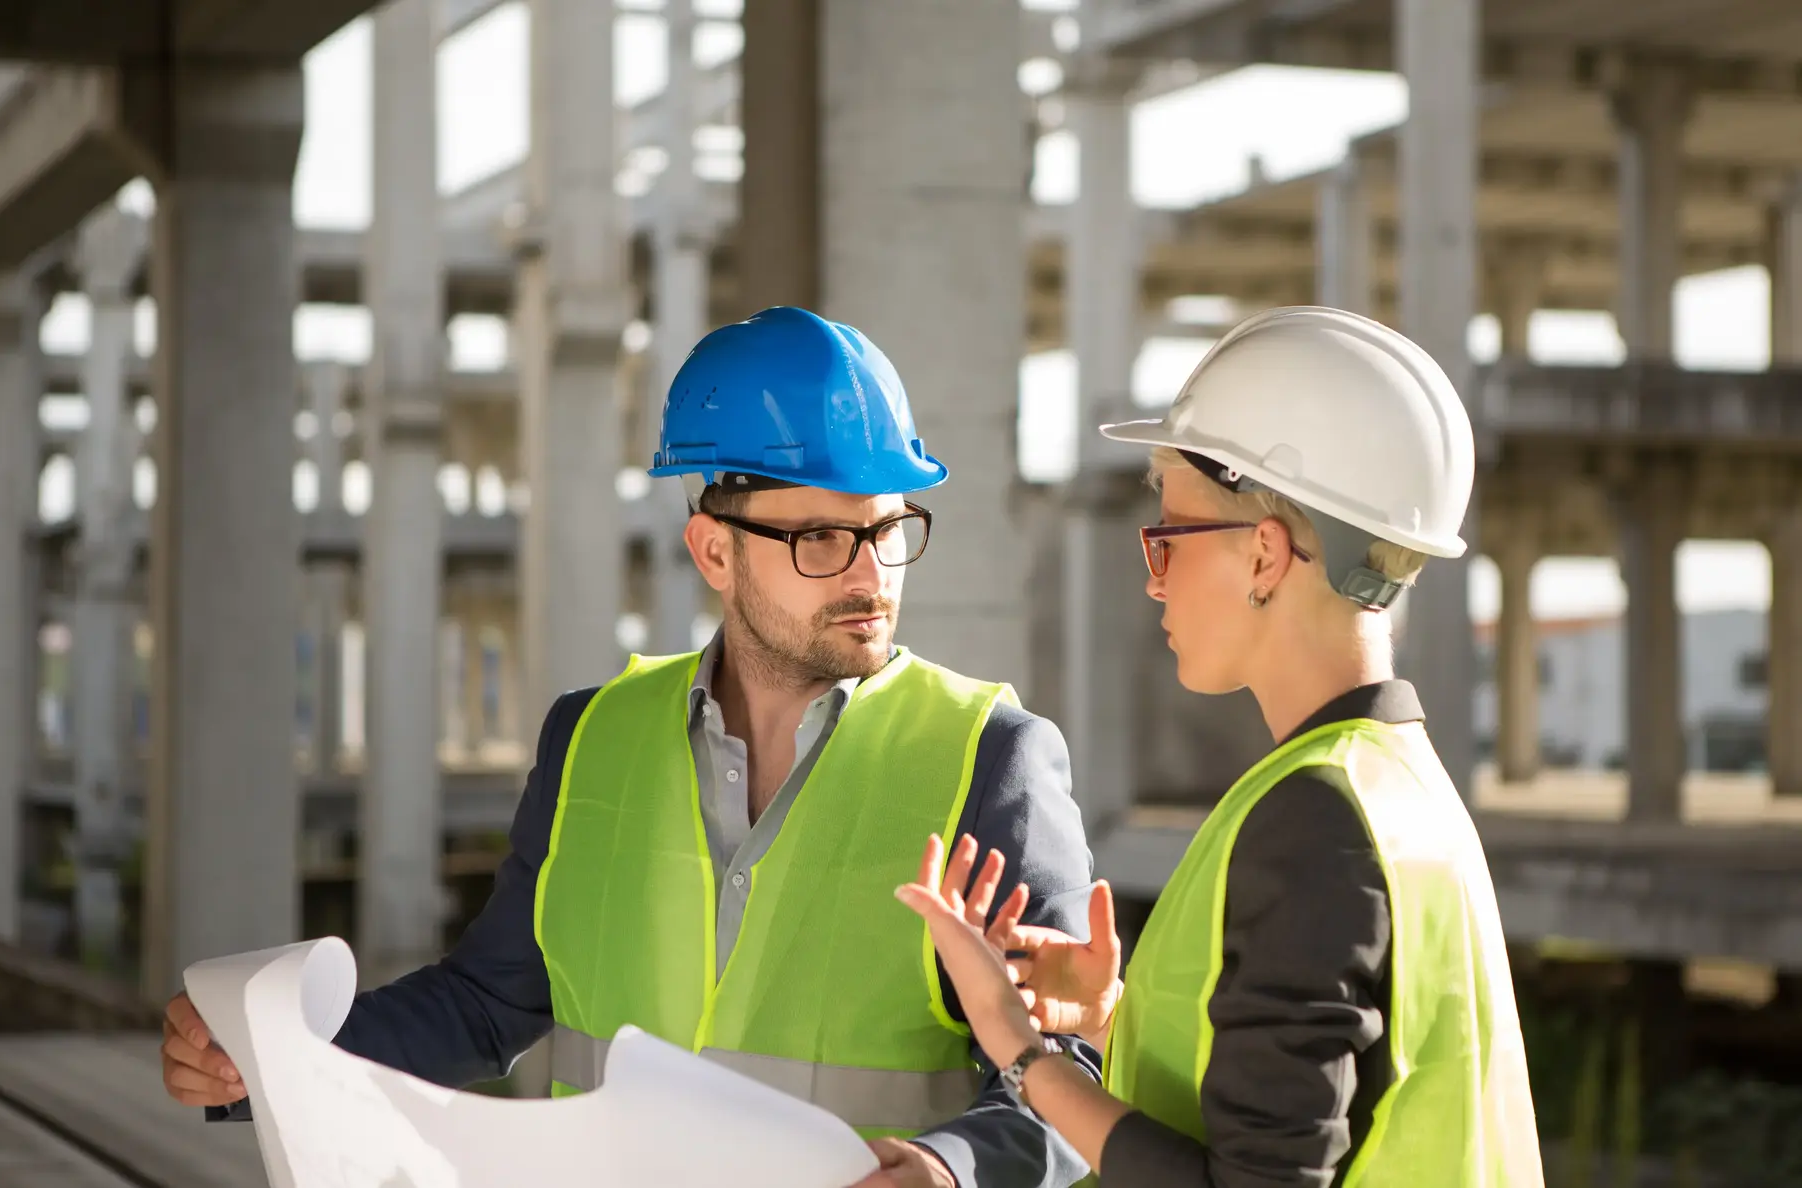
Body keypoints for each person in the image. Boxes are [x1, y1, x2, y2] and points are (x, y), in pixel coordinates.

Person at [158, 306, 1099, 1188]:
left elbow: (1068, 1074)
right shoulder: (589, 740)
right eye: (820, 537)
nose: (869, 572)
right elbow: (491, 1003)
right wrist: (267, 1057)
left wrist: (949, 1169)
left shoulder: (990, 757)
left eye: (889, 529)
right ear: (713, 552)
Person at [893, 306, 1546, 1186]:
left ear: (1266, 557)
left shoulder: (1318, 820)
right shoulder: (1399, 790)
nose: (1153, 582)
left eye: (1168, 541)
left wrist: (1020, 1053)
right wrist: (1112, 1020)